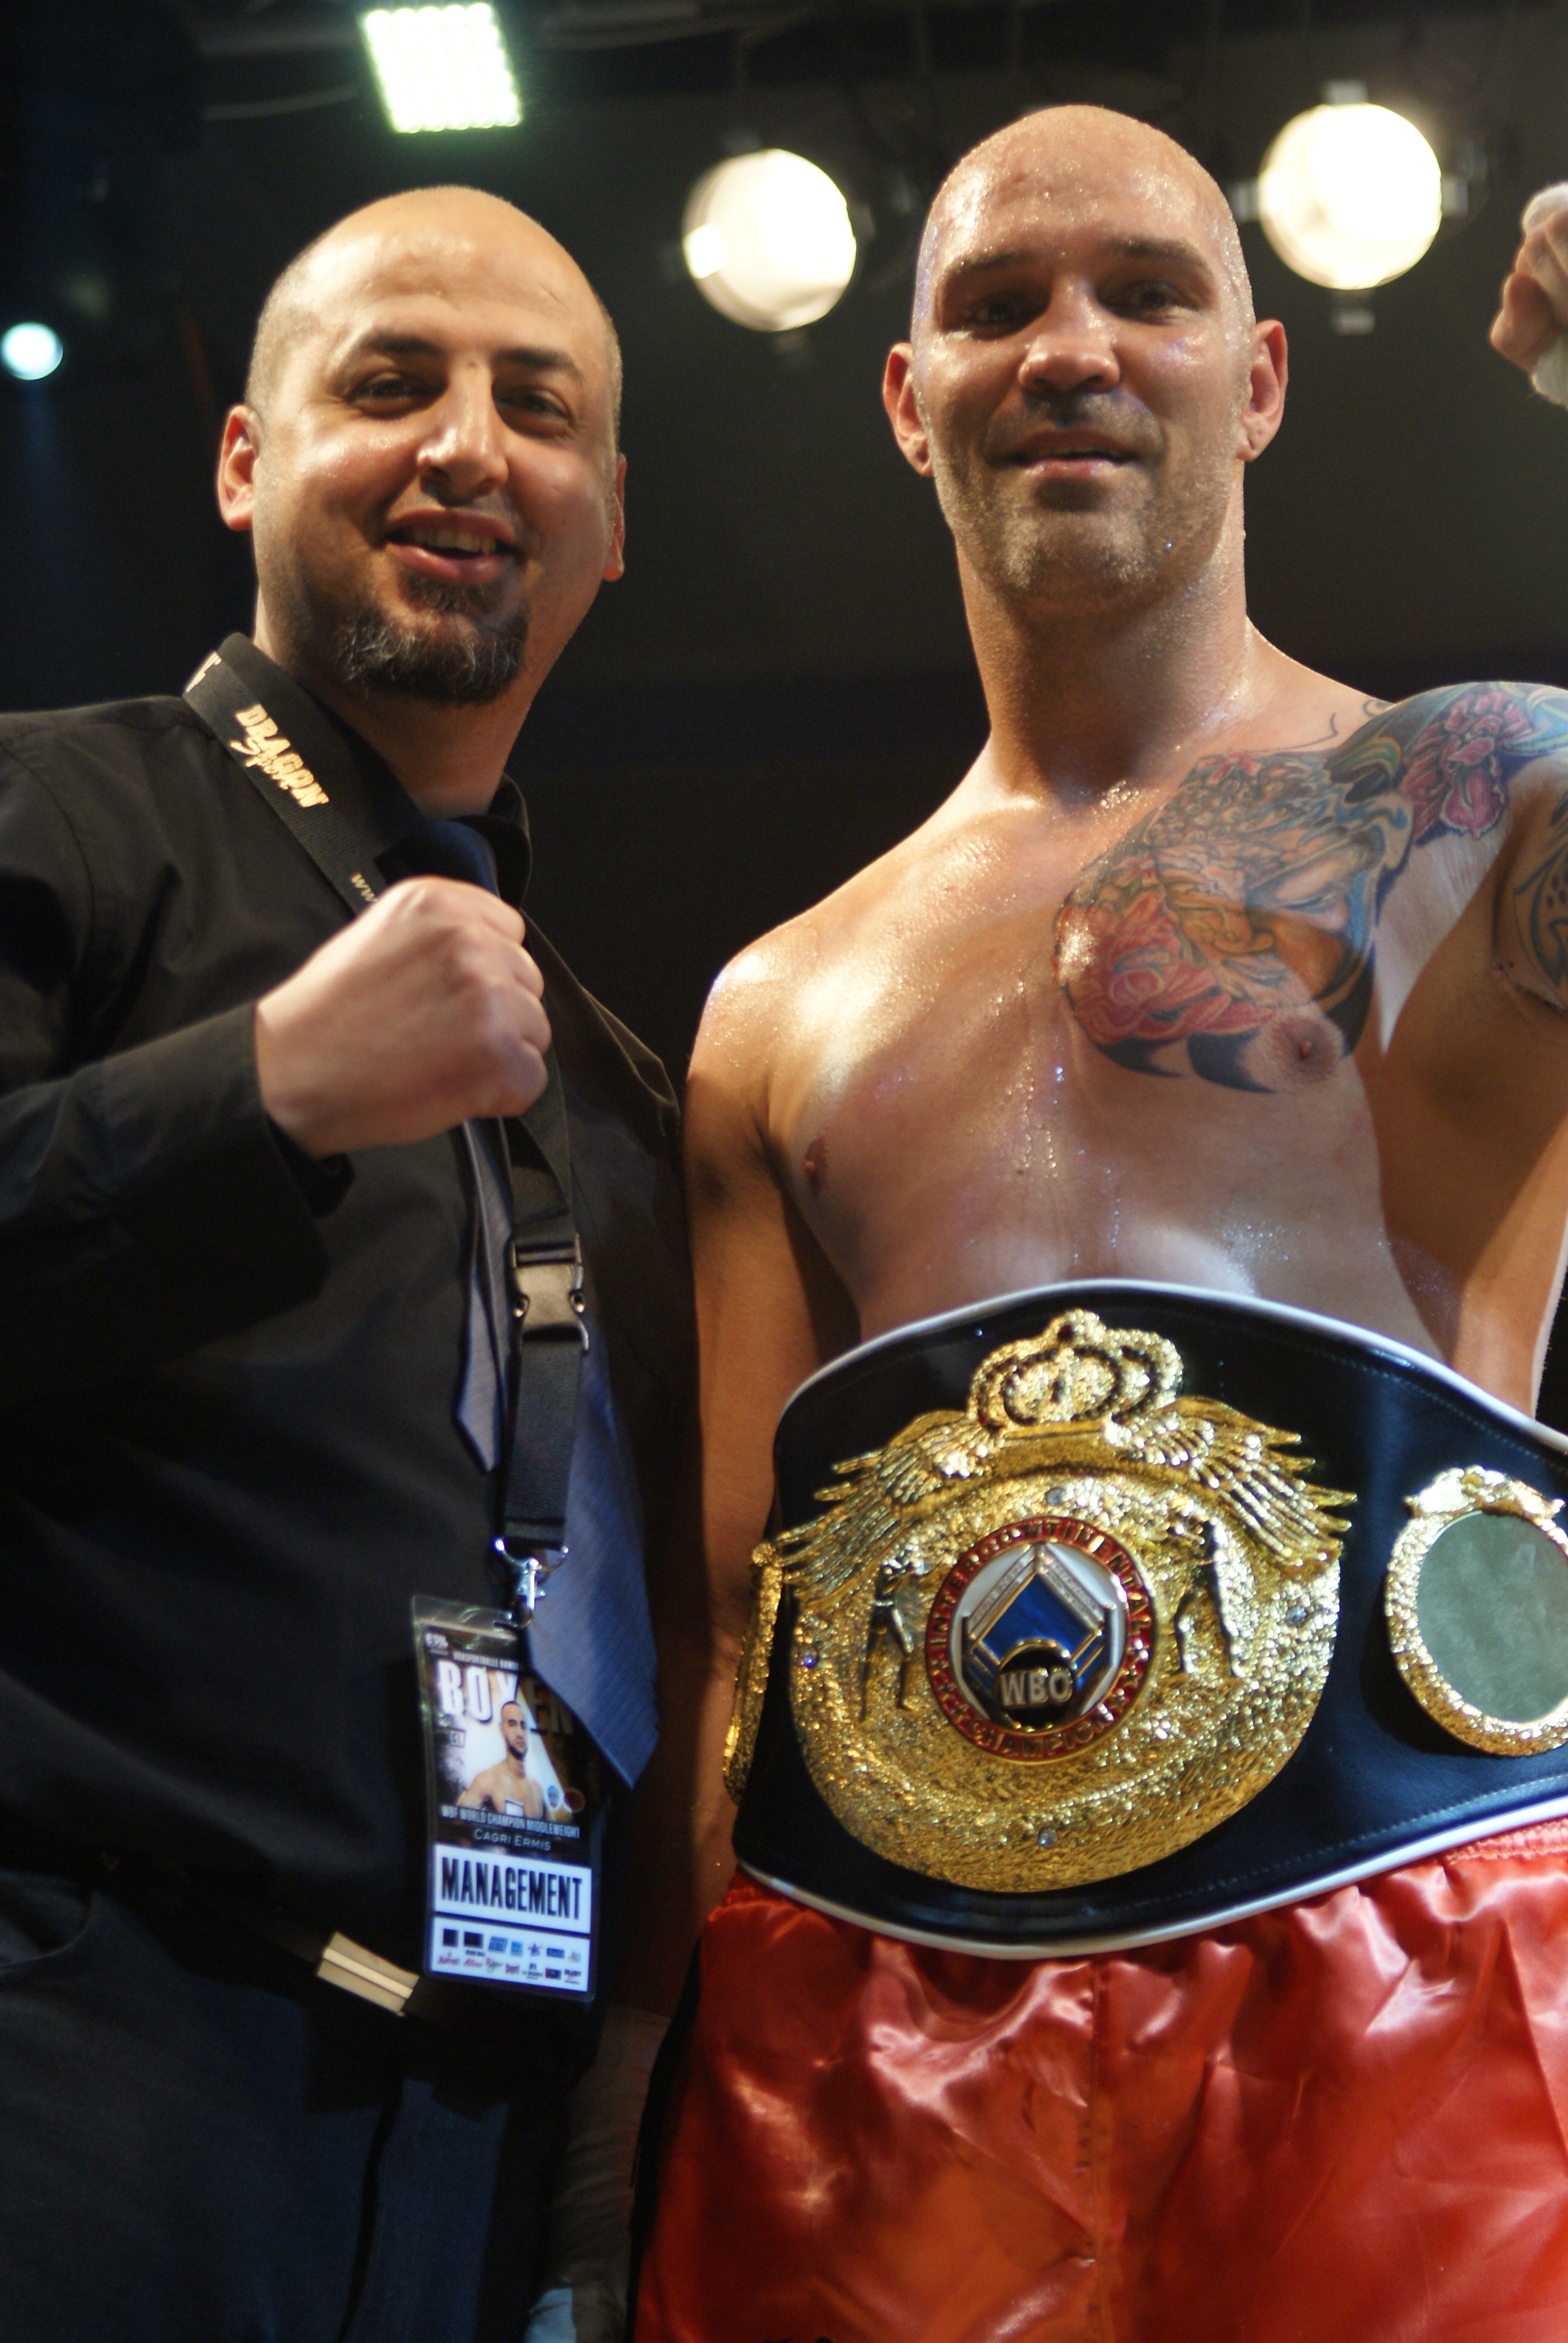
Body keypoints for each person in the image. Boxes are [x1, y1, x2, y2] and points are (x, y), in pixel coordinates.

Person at [625, 110, 1568, 2341]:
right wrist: (633, 2121)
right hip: (875, 2032)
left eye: (1145, 293)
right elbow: (737, 1637)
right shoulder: (777, 1005)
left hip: (1414, 1949)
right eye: (996, 305)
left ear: (1258, 380)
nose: (1069, 349)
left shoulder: (1486, 805)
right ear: (905, 399)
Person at [0, 185, 690, 2342]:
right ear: (244, 459)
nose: (467, 445)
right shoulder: (53, 820)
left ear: (608, 522)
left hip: (470, 2142)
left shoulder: (612, 1084)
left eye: (537, 408)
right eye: (391, 384)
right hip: (84, 2056)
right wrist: (268, 1086)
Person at [461, 1703, 547, 1818]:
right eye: (512, 1725)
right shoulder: (487, 1781)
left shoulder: (537, 1791)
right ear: (502, 1730)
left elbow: (556, 1828)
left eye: (523, 1726)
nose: (520, 1734)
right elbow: (456, 1820)